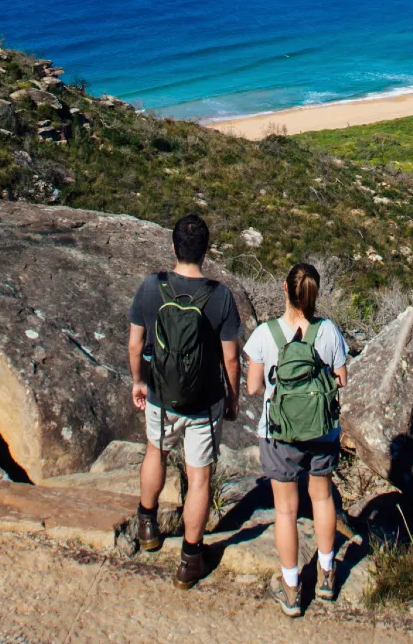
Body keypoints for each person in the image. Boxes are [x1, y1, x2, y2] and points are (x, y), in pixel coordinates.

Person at [125, 214, 242, 590]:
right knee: (199, 477)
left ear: (174, 247)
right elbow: (231, 358)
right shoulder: (220, 296)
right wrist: (232, 398)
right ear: (205, 252)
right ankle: (191, 559)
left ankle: (147, 524)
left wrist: (138, 382)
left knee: (155, 453)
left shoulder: (150, 288)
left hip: (161, 395)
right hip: (204, 402)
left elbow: (134, 345)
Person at [241, 261, 348, 617]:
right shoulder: (329, 331)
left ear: (285, 290)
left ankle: (291, 589)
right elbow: (341, 379)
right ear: (316, 294)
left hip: (279, 432)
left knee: (285, 511)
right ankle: (327, 574)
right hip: (322, 430)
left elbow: (254, 387)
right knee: (322, 497)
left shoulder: (265, 333)